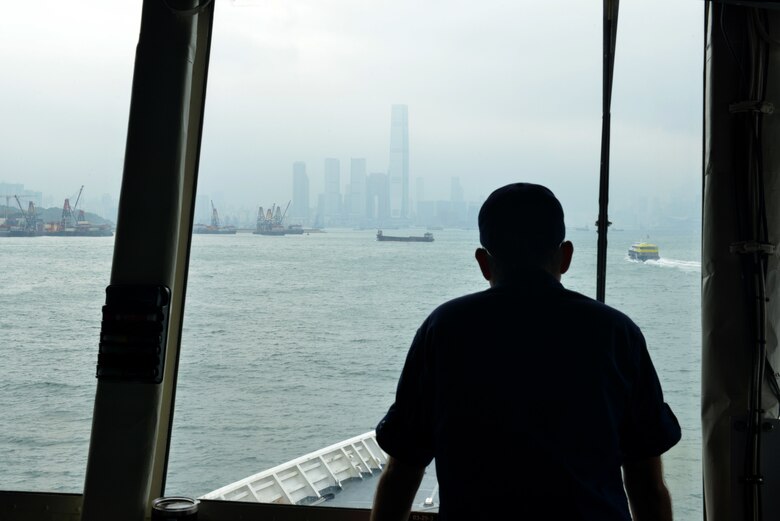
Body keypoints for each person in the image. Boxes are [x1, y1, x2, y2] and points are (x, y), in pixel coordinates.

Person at [370, 183, 681, 521]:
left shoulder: (443, 329)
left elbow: (402, 472)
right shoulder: (618, 334)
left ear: (483, 263)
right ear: (566, 256)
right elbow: (646, 485)